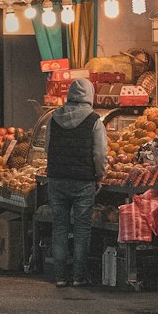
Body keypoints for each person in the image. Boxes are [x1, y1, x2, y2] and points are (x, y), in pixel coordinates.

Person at [44, 78, 108, 288]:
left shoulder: (54, 118)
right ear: (89, 95)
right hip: (83, 181)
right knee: (82, 229)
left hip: (56, 179)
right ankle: (79, 277)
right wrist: (100, 175)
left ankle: (60, 276)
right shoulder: (94, 120)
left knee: (60, 228)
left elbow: (47, 149)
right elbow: (99, 154)